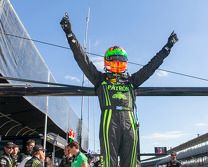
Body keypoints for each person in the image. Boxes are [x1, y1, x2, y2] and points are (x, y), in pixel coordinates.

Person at [60, 14, 178, 167]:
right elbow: (82, 59)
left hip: (130, 120)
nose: (116, 64)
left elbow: (151, 67)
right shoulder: (100, 79)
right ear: (107, 62)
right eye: (113, 60)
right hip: (109, 120)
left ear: (125, 63)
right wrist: (70, 34)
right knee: (109, 162)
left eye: (120, 61)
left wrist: (167, 48)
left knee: (131, 163)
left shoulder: (132, 80)